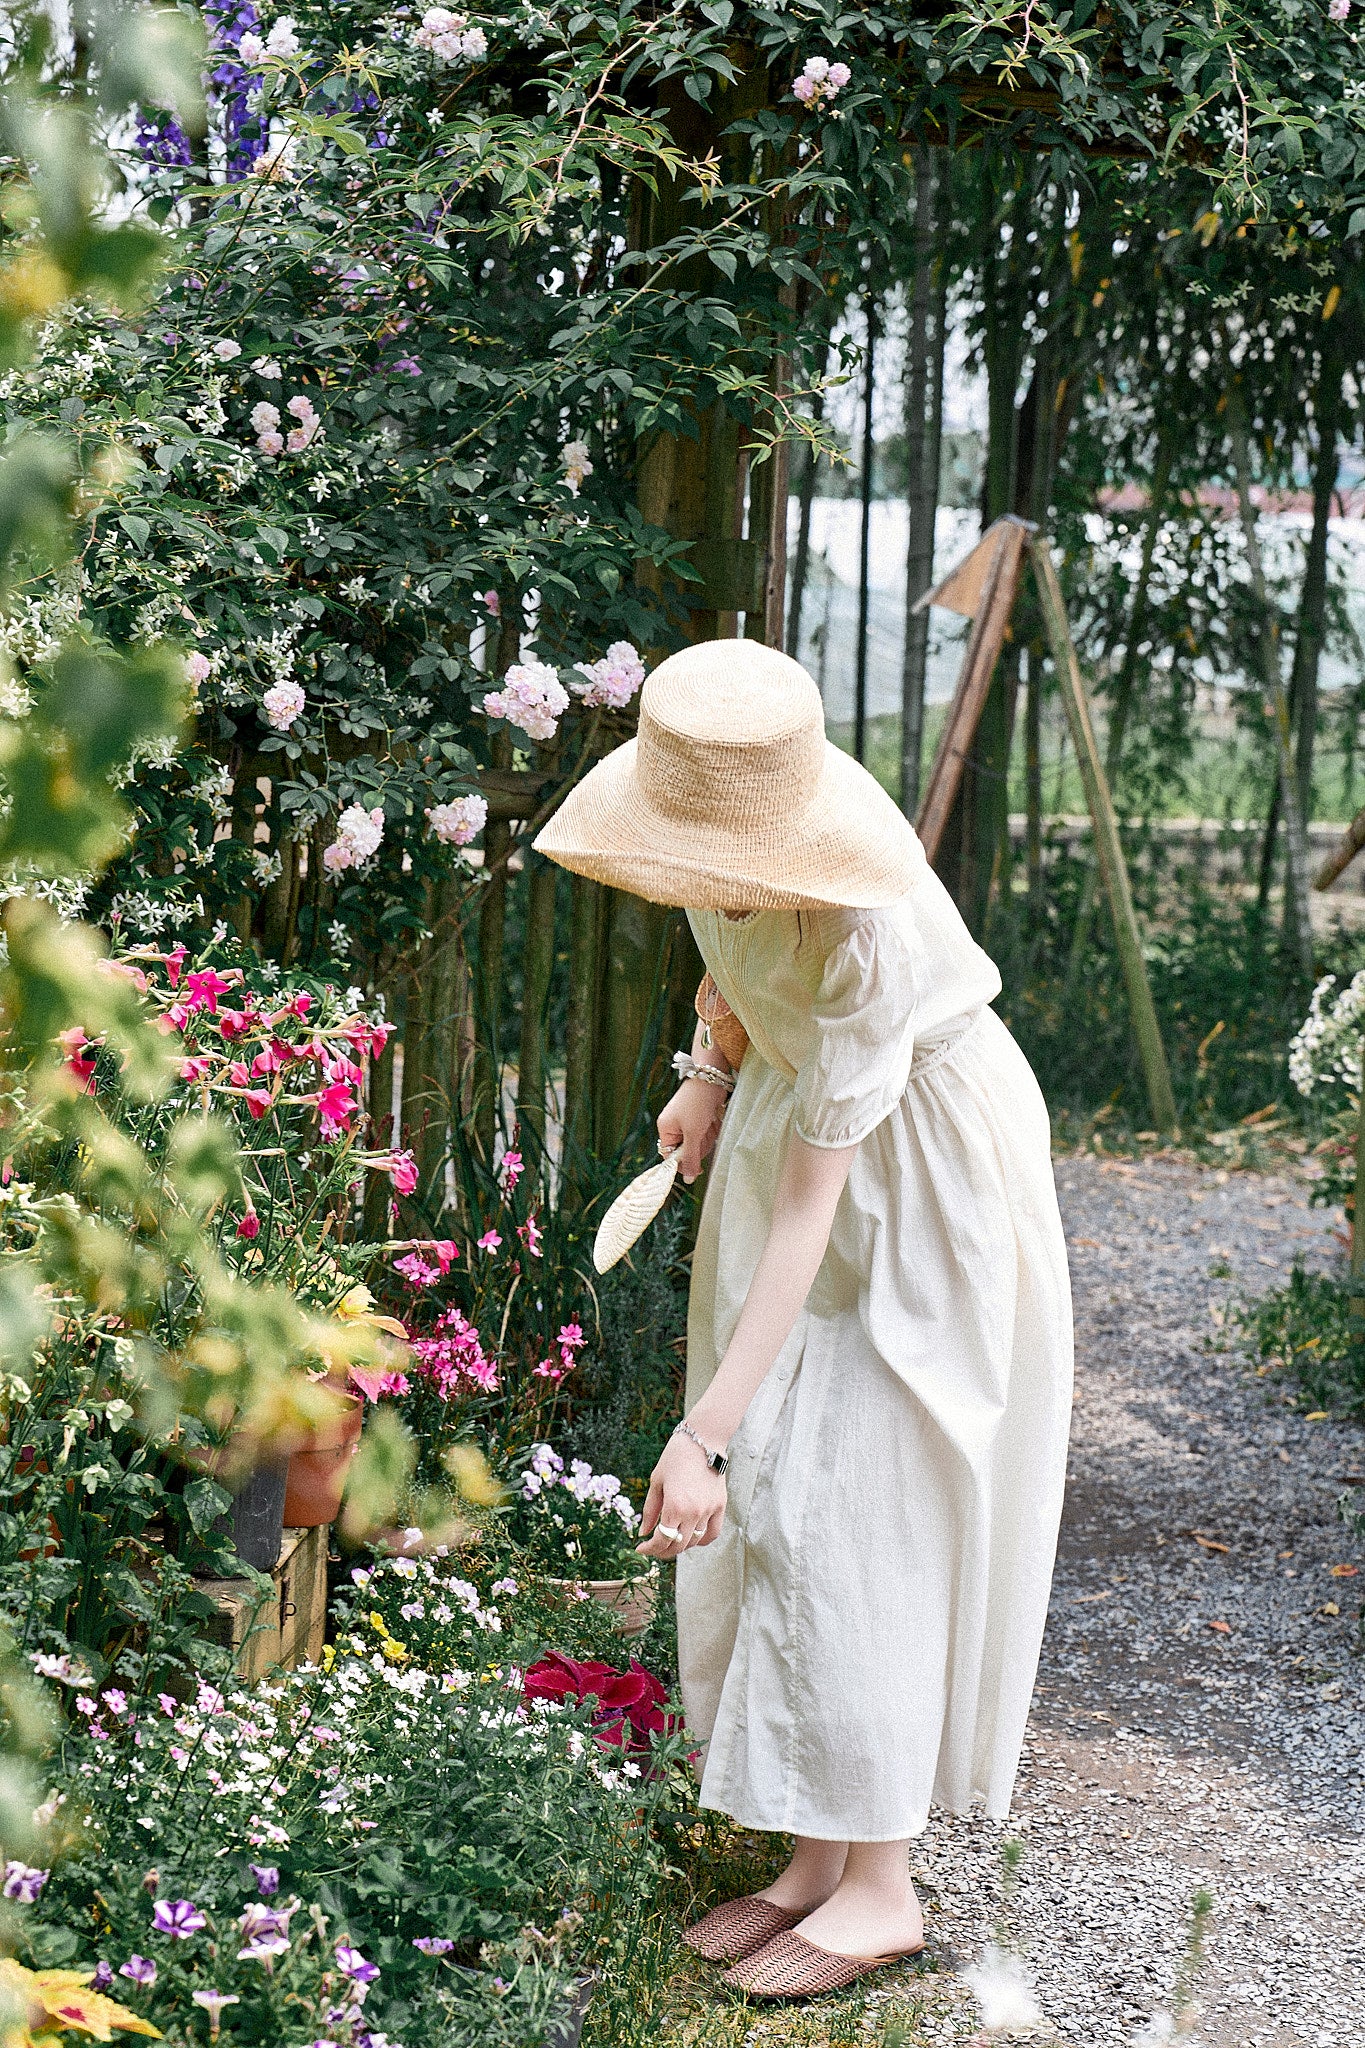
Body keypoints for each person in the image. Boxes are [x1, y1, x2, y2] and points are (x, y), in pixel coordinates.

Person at [535, 640, 1072, 2001]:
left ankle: (882, 1883)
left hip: (913, 1175)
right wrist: (709, 1067)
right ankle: (815, 1859)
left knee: (861, 1493)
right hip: (795, 1118)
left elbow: (811, 1215)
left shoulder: (861, 924)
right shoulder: (722, 844)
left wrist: (700, 1432)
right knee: (788, 1494)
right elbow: (724, 953)